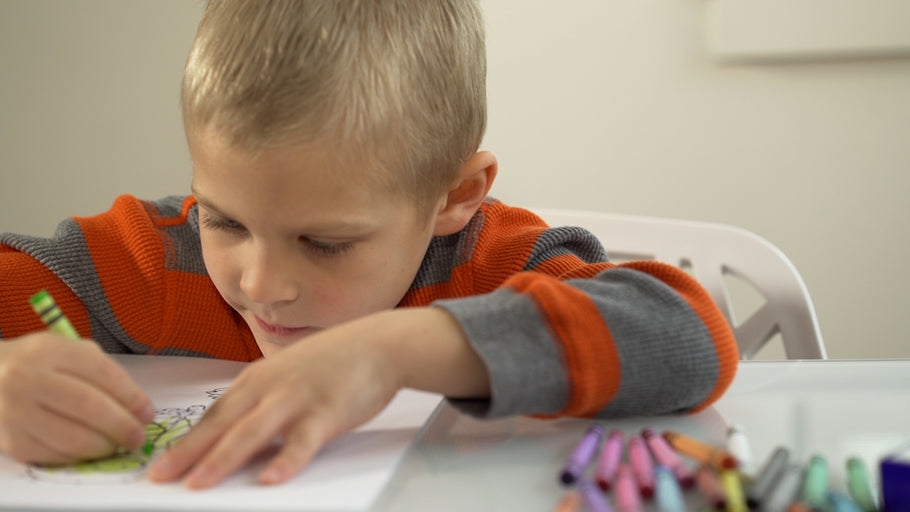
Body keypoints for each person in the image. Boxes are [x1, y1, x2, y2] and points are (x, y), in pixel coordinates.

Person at [0, 0, 738, 489]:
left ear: (453, 196)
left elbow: (690, 336)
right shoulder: (153, 262)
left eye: (324, 242)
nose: (262, 283)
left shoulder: (489, 265)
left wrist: (389, 352)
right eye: (224, 219)